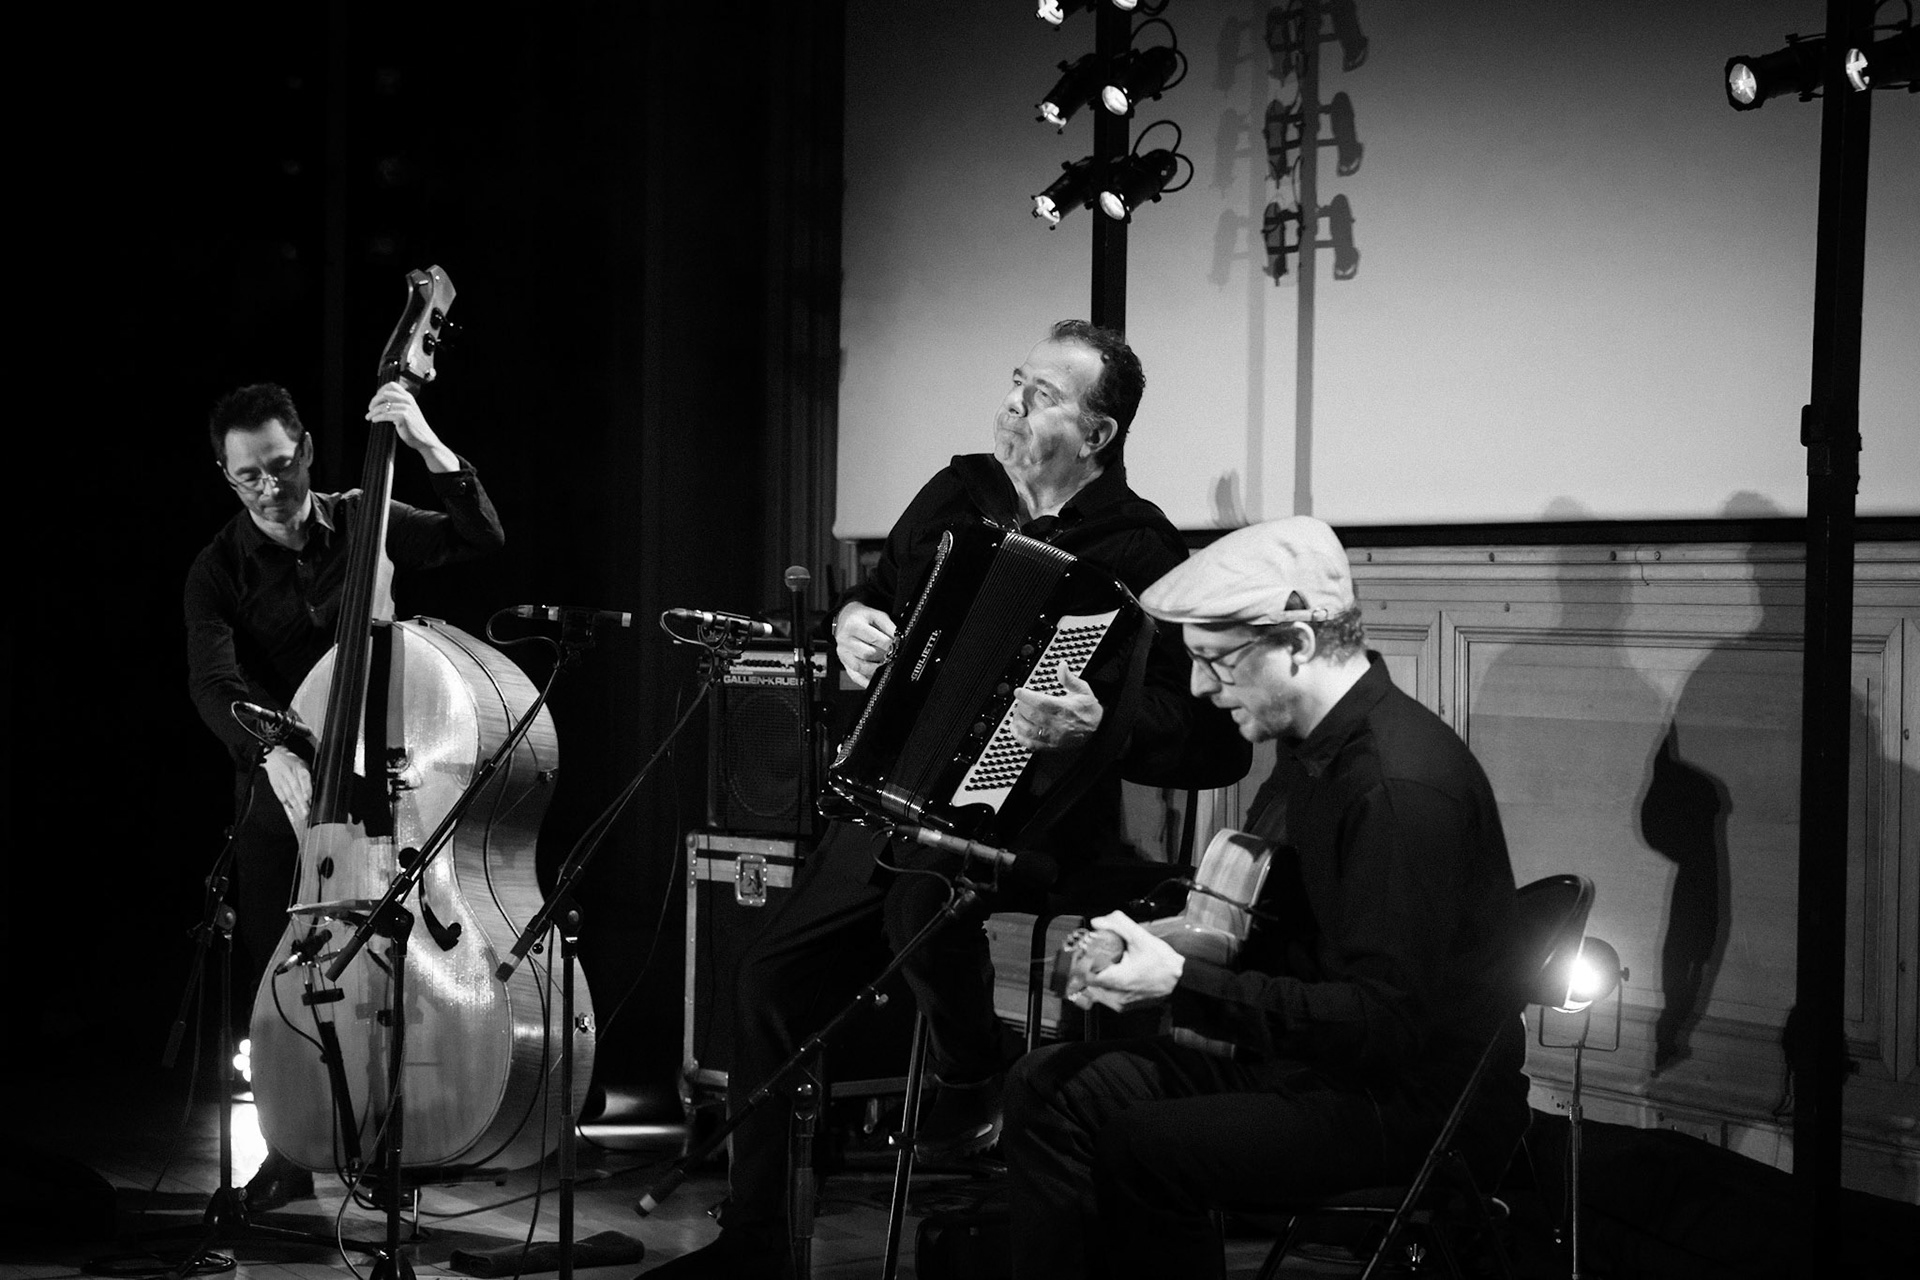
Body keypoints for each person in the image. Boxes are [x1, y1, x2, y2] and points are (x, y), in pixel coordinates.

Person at [648, 321, 1249, 1279]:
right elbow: (874, 593)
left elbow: (1212, 738)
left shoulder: (1139, 549)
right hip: (896, 792)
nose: (1011, 404)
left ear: (1097, 434)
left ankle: (975, 1070)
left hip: (1037, 822)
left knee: (919, 899)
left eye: (1041, 396)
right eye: (1015, 382)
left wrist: (1104, 725)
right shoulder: (958, 493)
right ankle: (756, 1245)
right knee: (767, 979)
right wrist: (853, 622)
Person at [1000, 515, 1529, 1279]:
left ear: (1299, 644)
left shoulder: (1395, 790)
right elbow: (1276, 931)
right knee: (1050, 1088)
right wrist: (1156, 947)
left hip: (1407, 1104)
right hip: (1317, 1064)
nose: (1198, 688)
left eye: (1216, 660)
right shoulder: (1309, 750)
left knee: (1146, 1149)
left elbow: (1384, 1025)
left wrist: (1181, 984)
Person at [183, 380, 505, 1210]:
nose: (270, 487)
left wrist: (428, 444)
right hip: (280, 791)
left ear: (307, 452)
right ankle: (289, 1150)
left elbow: (479, 535)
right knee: (281, 974)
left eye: (281, 466)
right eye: (249, 476)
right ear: (227, 477)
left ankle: (397, 1139)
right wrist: (271, 753)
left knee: (397, 971)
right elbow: (214, 685)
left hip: (383, 785)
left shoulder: (365, 516)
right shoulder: (216, 570)